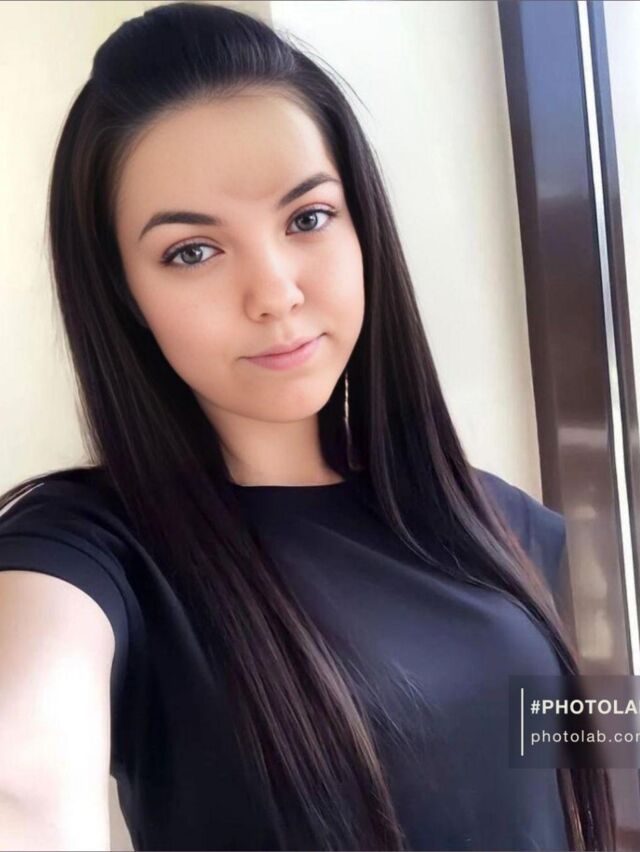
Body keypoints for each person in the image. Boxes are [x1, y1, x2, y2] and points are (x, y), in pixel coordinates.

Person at [0, 3, 616, 850]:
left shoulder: (496, 522)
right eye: (192, 251)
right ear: (125, 296)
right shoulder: (90, 550)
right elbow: (23, 775)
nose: (275, 293)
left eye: (307, 218)